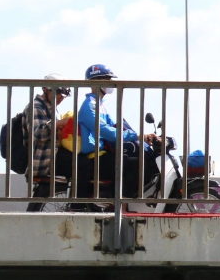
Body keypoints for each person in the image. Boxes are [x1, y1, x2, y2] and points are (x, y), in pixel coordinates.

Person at [76, 64, 157, 200]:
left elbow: (116, 127)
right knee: (138, 164)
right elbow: (108, 132)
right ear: (96, 82)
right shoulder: (90, 106)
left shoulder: (100, 104)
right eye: (107, 79)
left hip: (103, 152)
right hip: (95, 155)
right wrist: (137, 136)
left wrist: (142, 136)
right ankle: (121, 204)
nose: (111, 83)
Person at [23, 74, 73, 211]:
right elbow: (38, 133)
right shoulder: (36, 107)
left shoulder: (50, 108)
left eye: (63, 96)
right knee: (84, 165)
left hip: (54, 154)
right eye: (57, 93)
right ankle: (77, 205)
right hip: (45, 160)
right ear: (46, 89)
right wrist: (60, 123)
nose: (60, 98)